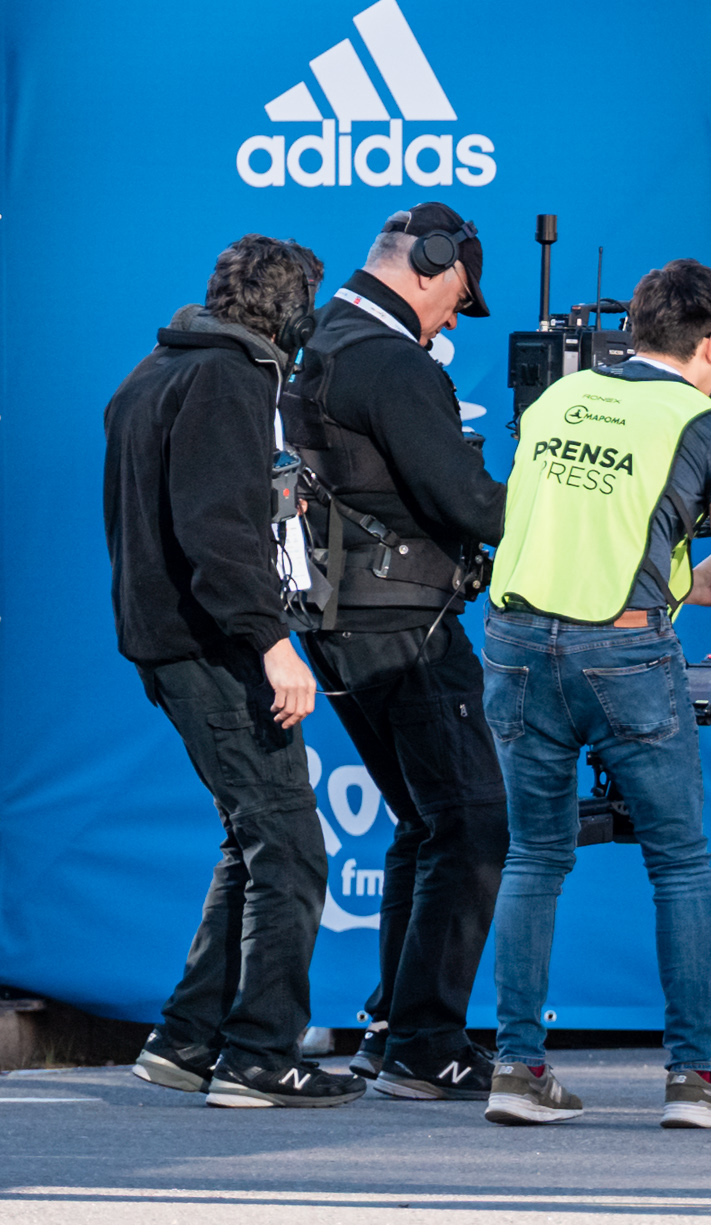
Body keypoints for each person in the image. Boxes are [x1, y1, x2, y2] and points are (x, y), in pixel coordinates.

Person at [477, 259, 711, 1131]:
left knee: (534, 856)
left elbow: (592, 537)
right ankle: (693, 1078)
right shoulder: (703, 425)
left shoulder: (560, 398)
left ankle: (516, 1065)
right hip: (622, 653)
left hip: (516, 644)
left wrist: (694, 576)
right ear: (709, 345)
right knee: (680, 859)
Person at [103, 235, 356, 1109]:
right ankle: (259, 1054)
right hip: (214, 647)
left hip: (171, 643)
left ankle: (187, 1039)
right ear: (293, 314)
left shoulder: (154, 371)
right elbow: (220, 536)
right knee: (288, 845)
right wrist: (273, 644)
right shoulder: (229, 378)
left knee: (252, 840)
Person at [289, 204, 513, 1098]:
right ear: (427, 262)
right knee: (472, 819)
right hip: (402, 626)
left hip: (343, 622)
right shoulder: (389, 360)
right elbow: (465, 500)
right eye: (458, 295)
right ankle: (425, 1038)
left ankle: (393, 1027)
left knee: (428, 820)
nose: (455, 317)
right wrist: (558, 511)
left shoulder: (327, 342)